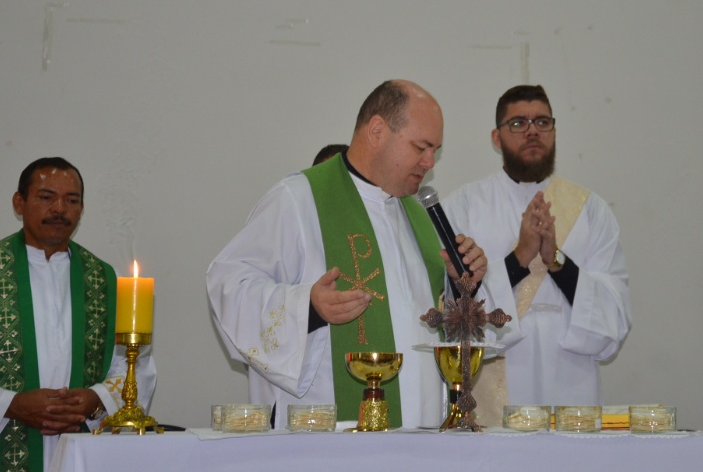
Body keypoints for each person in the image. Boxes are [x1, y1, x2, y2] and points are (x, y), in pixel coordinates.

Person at [206, 80, 495, 429]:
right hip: (326, 435)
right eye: (421, 147)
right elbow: (228, 284)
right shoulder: (299, 199)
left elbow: (418, 321)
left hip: (419, 432)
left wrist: (461, 283)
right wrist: (308, 307)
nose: (430, 162)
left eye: (435, 150)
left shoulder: (419, 216)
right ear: (376, 130)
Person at [443, 84, 631, 426]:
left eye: (542, 122)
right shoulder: (465, 206)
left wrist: (555, 261)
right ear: (496, 138)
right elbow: (453, 311)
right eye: (517, 123)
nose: (532, 131)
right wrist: (519, 258)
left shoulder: (591, 210)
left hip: (571, 378)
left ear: (555, 131)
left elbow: (615, 313)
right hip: (494, 381)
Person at [0, 157, 156, 472]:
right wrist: (10, 405)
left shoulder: (103, 280)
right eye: (46, 197)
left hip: (84, 452)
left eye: (72, 200)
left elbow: (138, 365)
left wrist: (96, 399)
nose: (59, 209)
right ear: (19, 202)